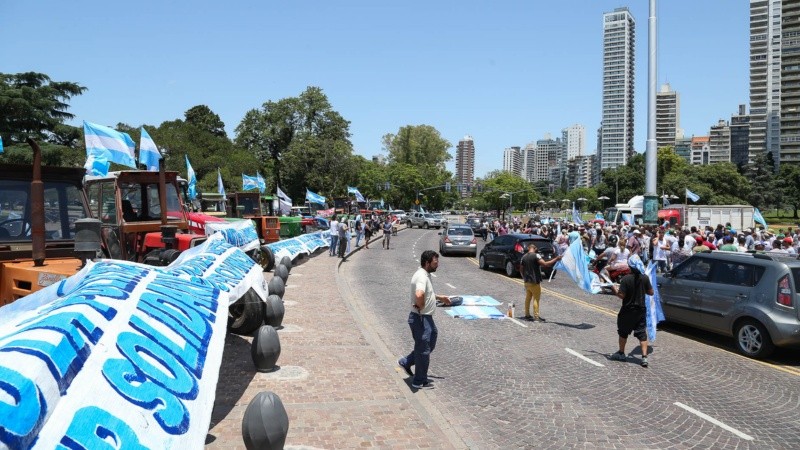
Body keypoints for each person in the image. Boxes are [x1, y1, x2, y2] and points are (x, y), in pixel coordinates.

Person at [398, 250, 452, 389]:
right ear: (427, 263)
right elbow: (419, 294)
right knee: (423, 350)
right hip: (421, 318)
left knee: (430, 341)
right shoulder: (422, 276)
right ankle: (419, 381)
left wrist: (439, 298)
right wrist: (420, 306)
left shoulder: (425, 274)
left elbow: (427, 293)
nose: (437, 264)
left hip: (426, 318)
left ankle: (406, 361)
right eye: (435, 262)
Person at [610, 255, 654, 368]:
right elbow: (651, 292)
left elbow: (621, 295)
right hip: (641, 310)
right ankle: (644, 357)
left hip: (628, 309)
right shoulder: (645, 278)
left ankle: (621, 353)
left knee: (623, 332)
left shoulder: (626, 279)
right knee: (642, 333)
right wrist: (642, 289)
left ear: (630, 266)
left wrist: (615, 289)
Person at [520, 244, 563, 322]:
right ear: (535, 248)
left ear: (528, 248)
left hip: (527, 281)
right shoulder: (536, 255)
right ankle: (536, 317)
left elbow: (521, 269)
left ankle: (527, 315)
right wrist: (556, 259)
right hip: (534, 281)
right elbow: (546, 264)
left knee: (528, 298)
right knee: (536, 299)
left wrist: (524, 278)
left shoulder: (524, 257)